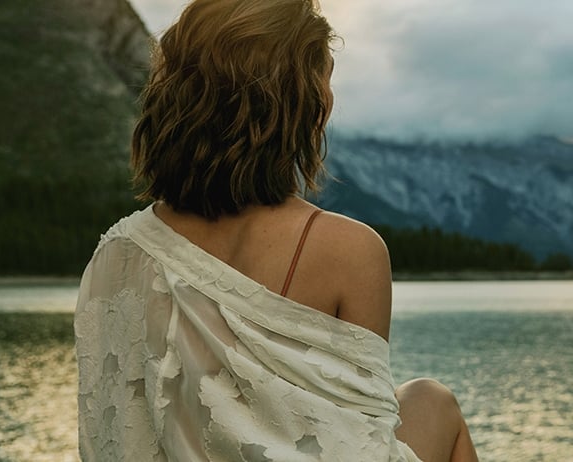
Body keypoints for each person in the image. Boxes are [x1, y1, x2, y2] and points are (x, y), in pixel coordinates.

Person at [73, 0, 478, 460]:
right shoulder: (348, 250)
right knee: (433, 402)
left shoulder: (115, 254)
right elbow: (362, 444)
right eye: (324, 86)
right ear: (301, 107)